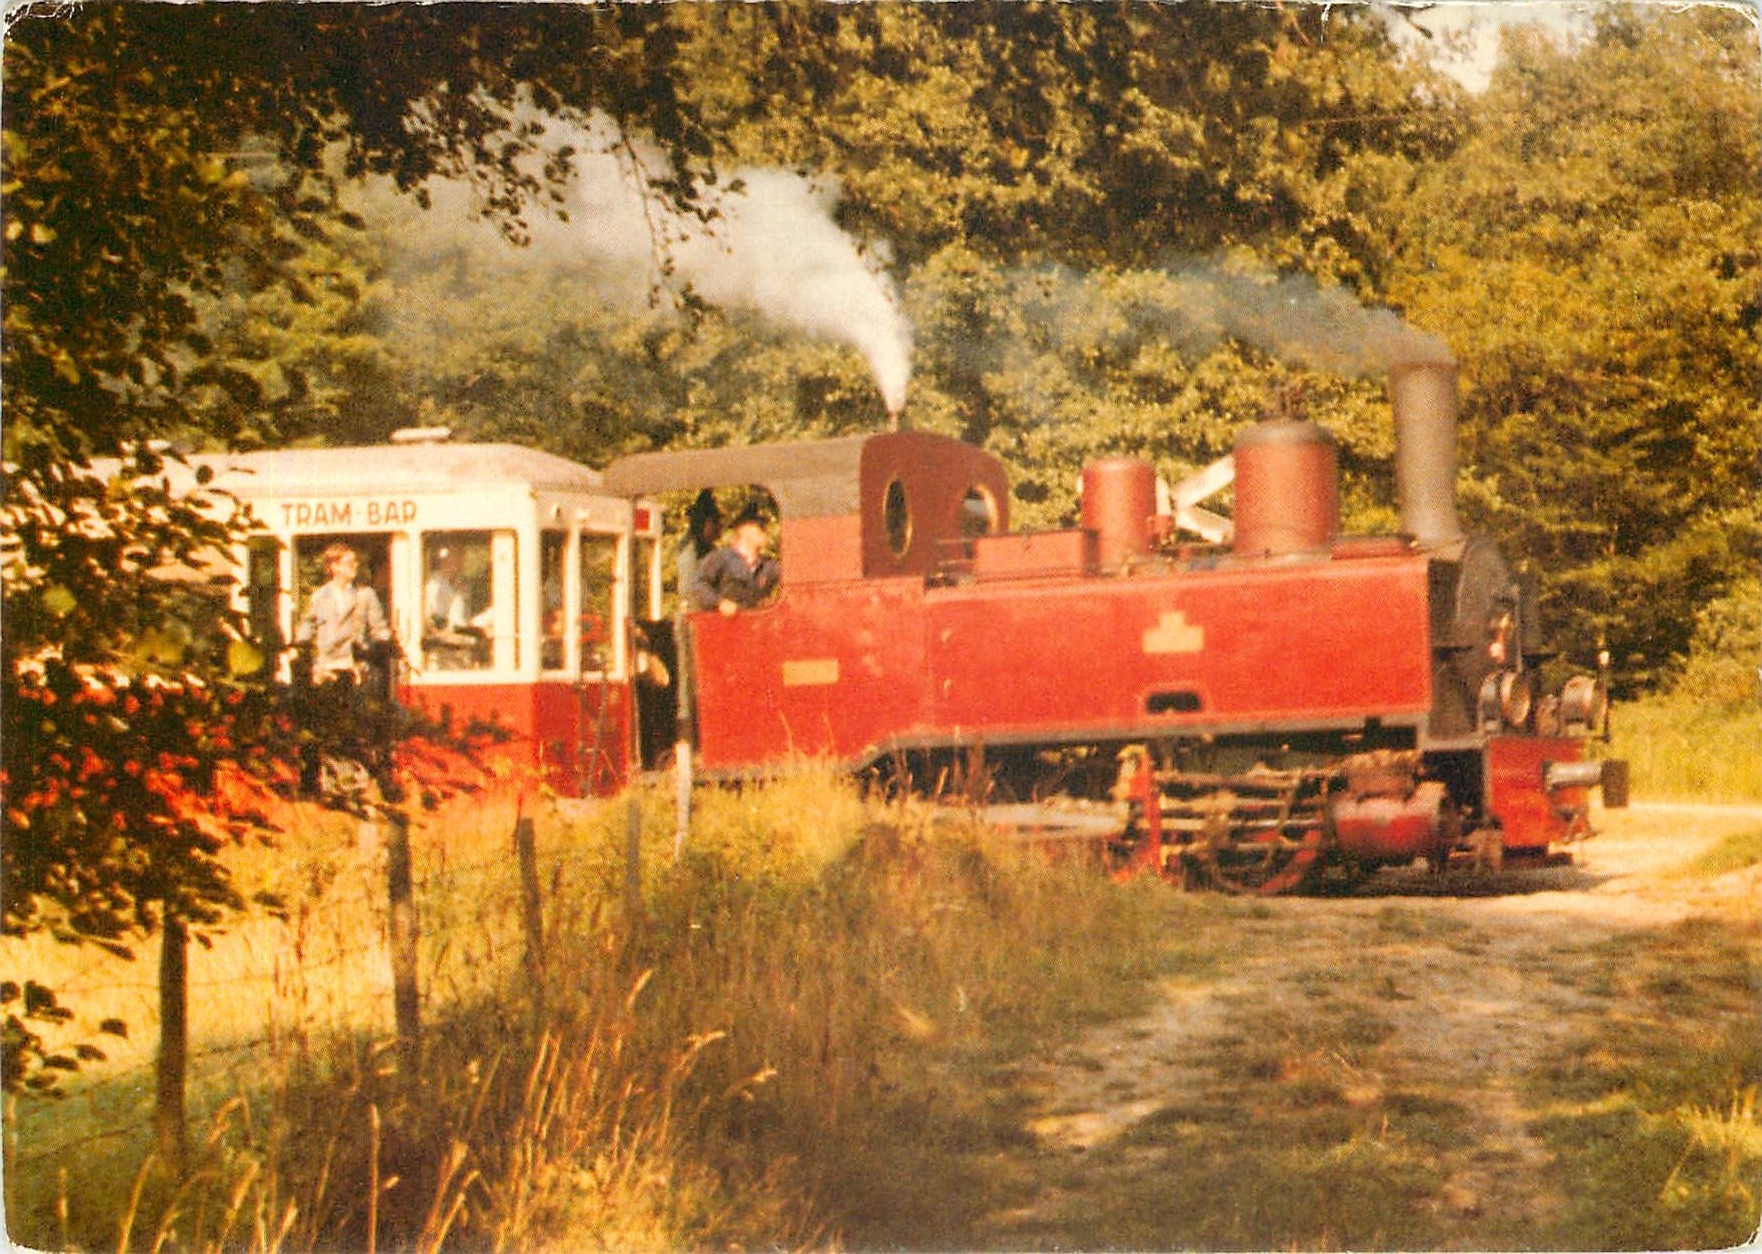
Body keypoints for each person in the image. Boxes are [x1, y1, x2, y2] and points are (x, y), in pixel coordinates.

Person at [296, 543, 392, 682]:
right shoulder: (319, 597)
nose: (355, 565)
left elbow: (379, 629)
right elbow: (307, 629)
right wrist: (298, 650)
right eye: (349, 562)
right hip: (326, 670)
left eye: (355, 561)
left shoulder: (365, 594)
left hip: (354, 668)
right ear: (335, 567)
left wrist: (385, 641)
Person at [689, 506, 780, 616]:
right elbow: (698, 584)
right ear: (743, 529)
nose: (765, 531)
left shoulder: (769, 565)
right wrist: (720, 603)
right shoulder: (721, 558)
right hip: (724, 628)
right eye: (760, 527)